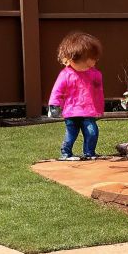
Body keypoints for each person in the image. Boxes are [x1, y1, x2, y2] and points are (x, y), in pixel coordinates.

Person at [46, 31, 105, 161]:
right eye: (88, 61)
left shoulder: (94, 74)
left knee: (92, 132)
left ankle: (89, 152)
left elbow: (98, 92)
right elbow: (57, 91)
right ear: (72, 59)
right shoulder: (66, 74)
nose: (92, 63)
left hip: (88, 111)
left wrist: (99, 108)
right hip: (71, 111)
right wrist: (54, 105)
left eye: (94, 59)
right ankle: (66, 153)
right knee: (71, 133)